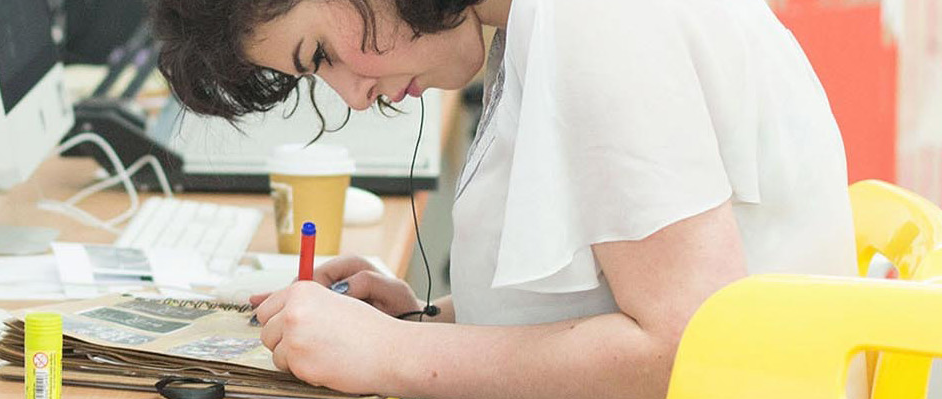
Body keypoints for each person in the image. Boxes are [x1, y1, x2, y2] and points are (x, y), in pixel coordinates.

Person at [151, 0, 855, 397]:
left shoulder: (602, 21)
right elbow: (623, 285)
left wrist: (395, 353)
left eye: (321, 54)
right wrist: (436, 321)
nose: (352, 94)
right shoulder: (534, 27)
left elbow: (690, 343)